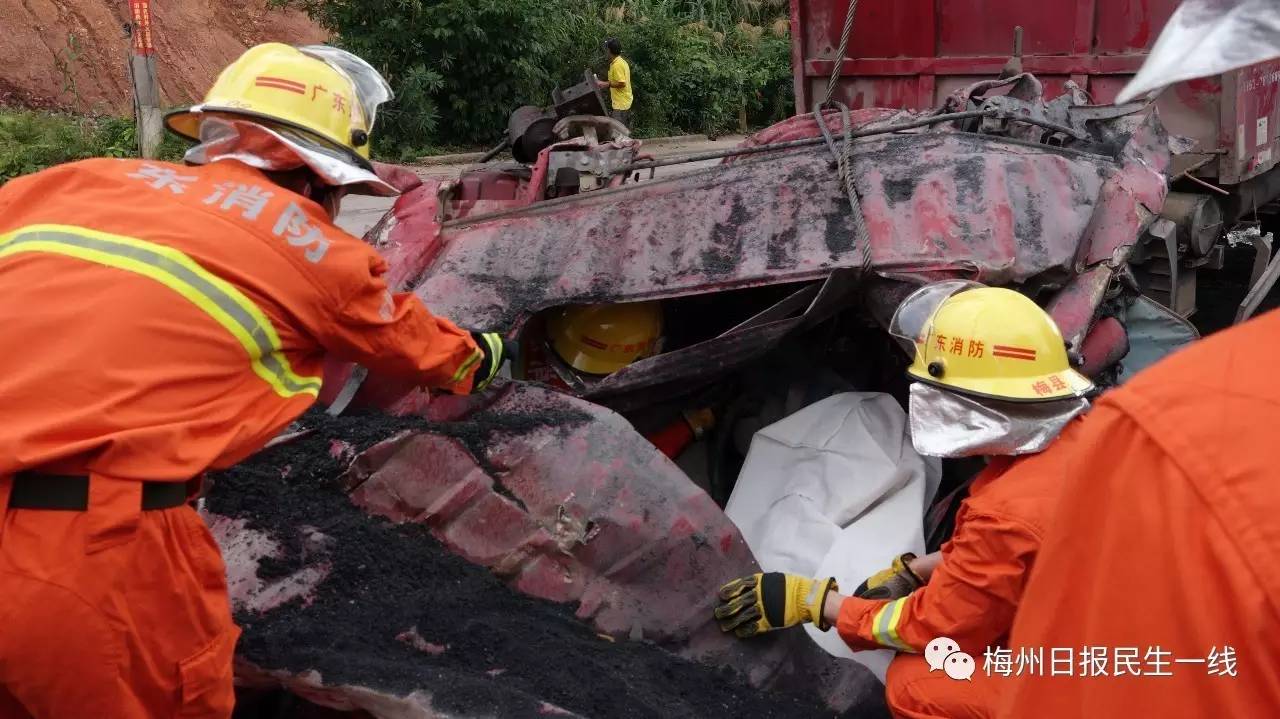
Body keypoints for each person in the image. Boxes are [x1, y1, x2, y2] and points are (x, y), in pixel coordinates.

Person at [0, 43, 508, 718]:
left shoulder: (72, 182)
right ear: (322, 178)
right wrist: (484, 353)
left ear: (215, 139)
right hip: (89, 556)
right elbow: (417, 345)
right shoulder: (317, 251)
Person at [714, 281, 1093, 719]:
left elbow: (935, 628)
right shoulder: (1092, 436)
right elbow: (1024, 552)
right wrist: (917, 570)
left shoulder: (1005, 512)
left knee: (917, 684)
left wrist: (819, 603)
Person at [597, 38, 633, 128]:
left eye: (606, 49)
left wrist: (606, 84)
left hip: (621, 105)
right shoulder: (620, 62)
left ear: (609, 50)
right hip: (623, 102)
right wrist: (602, 83)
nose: (606, 51)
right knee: (621, 132)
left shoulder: (617, 65)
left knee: (616, 132)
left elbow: (622, 83)